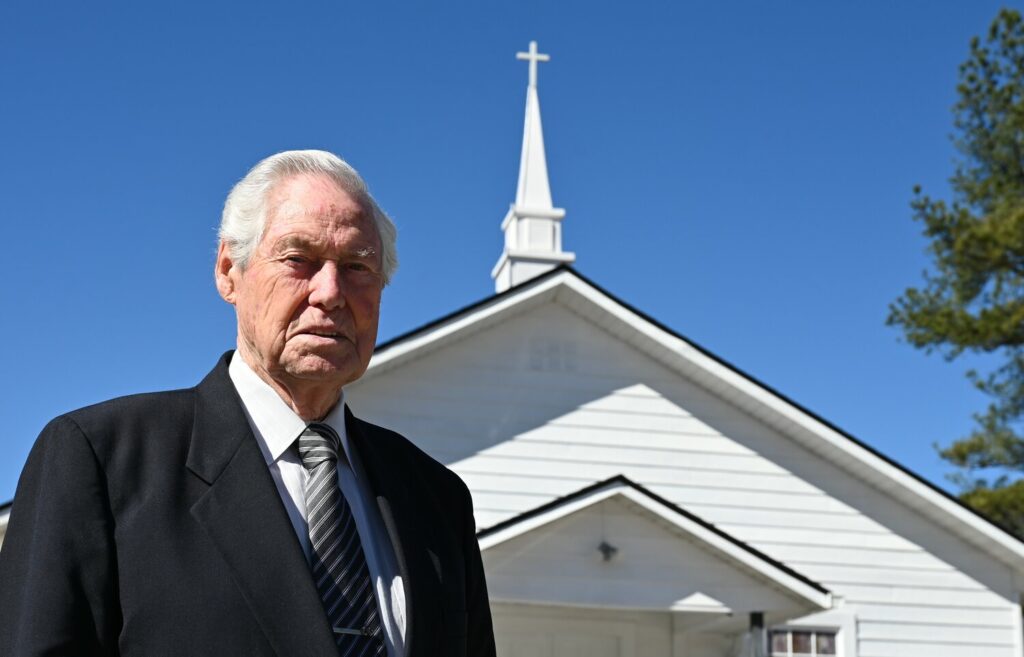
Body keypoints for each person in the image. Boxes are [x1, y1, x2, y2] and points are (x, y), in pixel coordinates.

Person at [0, 150, 497, 657]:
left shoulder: (436, 500)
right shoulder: (104, 463)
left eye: (357, 266)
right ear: (227, 272)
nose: (330, 292)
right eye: (298, 259)